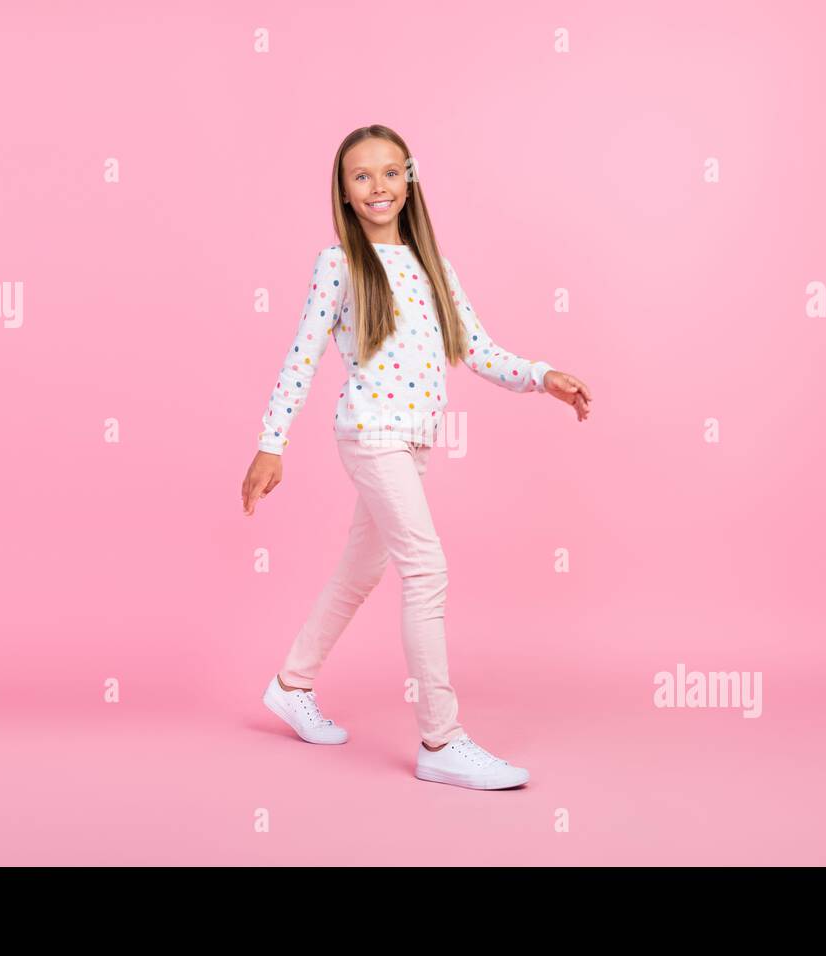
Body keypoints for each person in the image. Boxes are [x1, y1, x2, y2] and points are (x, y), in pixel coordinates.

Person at [241, 124, 592, 790]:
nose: (378, 187)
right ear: (344, 193)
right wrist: (271, 442)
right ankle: (441, 738)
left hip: (414, 439)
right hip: (372, 435)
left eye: (390, 172)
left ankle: (292, 682)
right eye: (361, 176)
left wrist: (543, 375)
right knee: (426, 569)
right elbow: (302, 355)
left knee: (358, 573)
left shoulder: (434, 266)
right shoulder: (339, 265)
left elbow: (479, 350)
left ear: (410, 178)